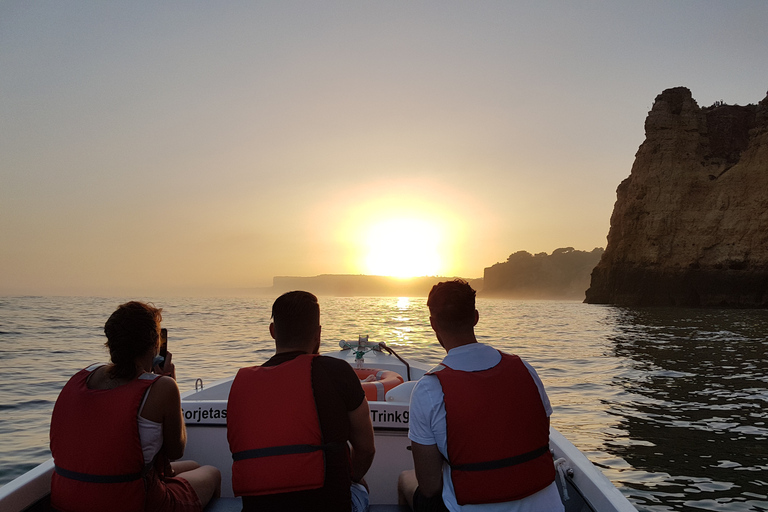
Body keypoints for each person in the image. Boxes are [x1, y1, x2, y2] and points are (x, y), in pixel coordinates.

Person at [397, 280, 564, 511]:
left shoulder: (429, 389)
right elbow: (538, 434)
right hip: (548, 506)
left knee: (406, 479)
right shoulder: (525, 369)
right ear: (475, 317)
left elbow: (430, 486)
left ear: (433, 324)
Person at [49, 301, 221, 512]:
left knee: (193, 467)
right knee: (211, 472)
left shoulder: (83, 376)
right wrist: (172, 388)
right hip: (134, 502)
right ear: (154, 342)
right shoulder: (163, 387)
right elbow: (176, 450)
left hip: (68, 501)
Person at [226, 290, 376, 512]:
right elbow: (366, 449)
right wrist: (352, 477)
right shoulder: (337, 372)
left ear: (272, 331)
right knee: (361, 487)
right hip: (327, 506)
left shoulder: (242, 384)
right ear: (318, 334)